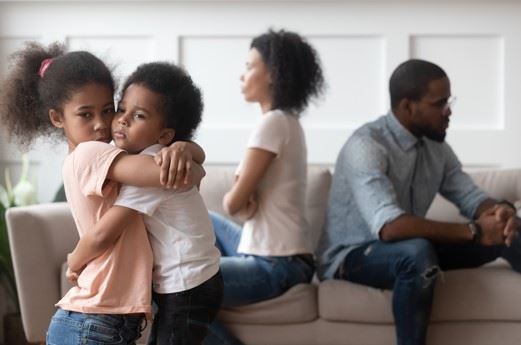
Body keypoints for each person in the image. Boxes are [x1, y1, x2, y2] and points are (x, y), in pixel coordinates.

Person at [0, 42, 204, 345]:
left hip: (99, 320)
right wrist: (187, 151)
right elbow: (176, 175)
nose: (100, 124)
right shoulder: (91, 154)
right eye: (85, 114)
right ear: (57, 118)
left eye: (108, 110)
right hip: (94, 323)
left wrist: (186, 149)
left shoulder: (102, 156)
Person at [316, 58, 520, 345]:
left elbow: (472, 198)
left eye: (450, 101)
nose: (449, 111)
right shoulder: (366, 145)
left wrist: (503, 212)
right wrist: (473, 231)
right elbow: (389, 227)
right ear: (408, 105)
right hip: (351, 256)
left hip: (408, 247)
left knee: (510, 231)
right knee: (416, 253)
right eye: (440, 103)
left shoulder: (436, 147)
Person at [67, 62, 223, 345]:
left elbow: (104, 233)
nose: (122, 120)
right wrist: (190, 149)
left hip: (187, 284)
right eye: (121, 109)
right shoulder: (140, 156)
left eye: (138, 115)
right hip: (192, 281)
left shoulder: (154, 167)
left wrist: (75, 260)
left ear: (164, 136)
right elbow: (195, 164)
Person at [204, 29, 325, 345]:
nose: (241, 76)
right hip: (273, 253)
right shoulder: (287, 122)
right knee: (203, 218)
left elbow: (234, 204)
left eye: (249, 66)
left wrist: (239, 197)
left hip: (276, 265)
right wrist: (242, 199)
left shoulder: (272, 124)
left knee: (174, 285)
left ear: (273, 74)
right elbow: (243, 206)